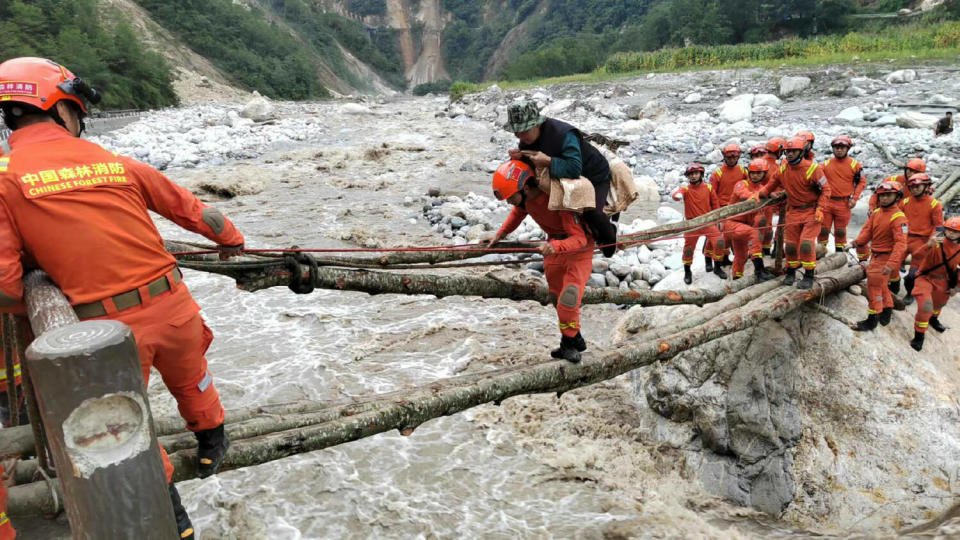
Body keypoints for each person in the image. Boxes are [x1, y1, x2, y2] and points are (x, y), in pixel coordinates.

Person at [0, 57, 246, 538]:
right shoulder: (115, 162)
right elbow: (196, 213)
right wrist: (234, 242)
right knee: (192, 376)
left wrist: (31, 293)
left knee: (126, 419)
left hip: (108, 332)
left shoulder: (6, 179)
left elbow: (5, 281)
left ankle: (173, 518)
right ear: (61, 108)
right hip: (174, 306)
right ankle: (212, 437)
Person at [487, 160, 593, 362]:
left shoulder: (557, 198)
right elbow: (517, 214)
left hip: (578, 251)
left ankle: (568, 344)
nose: (509, 202)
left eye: (511, 197)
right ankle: (574, 337)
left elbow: (579, 239)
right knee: (556, 297)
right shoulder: (525, 201)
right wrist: (498, 235)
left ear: (525, 187)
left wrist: (555, 247)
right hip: (553, 247)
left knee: (568, 299)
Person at [504, 101, 619, 257]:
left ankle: (610, 239)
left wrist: (549, 162)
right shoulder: (526, 140)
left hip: (594, 175)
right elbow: (531, 166)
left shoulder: (563, 134)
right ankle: (577, 238)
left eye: (523, 131)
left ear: (536, 124)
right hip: (565, 178)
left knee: (592, 212)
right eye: (516, 132)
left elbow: (574, 168)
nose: (519, 135)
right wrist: (519, 159)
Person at [756, 136, 830, 289]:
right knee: (789, 246)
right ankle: (791, 272)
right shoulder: (783, 169)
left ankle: (809, 274)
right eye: (787, 152)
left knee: (806, 244)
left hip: (811, 211)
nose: (789, 154)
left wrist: (820, 208)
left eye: (793, 151)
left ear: (801, 152)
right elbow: (770, 185)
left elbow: (826, 190)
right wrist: (763, 194)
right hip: (794, 211)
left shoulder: (813, 169)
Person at [850, 182, 908, 331]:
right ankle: (887, 308)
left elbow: (901, 244)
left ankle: (872, 319)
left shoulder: (899, 218)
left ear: (897, 197)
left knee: (873, 288)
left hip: (885, 258)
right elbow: (867, 231)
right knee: (881, 286)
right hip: (875, 255)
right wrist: (856, 243)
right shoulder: (876, 213)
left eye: (888, 195)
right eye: (881, 195)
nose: (884, 198)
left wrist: (891, 264)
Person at [909, 216, 960, 351]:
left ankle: (933, 319)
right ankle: (919, 336)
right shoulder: (935, 241)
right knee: (926, 306)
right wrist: (928, 245)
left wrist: (957, 287)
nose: (950, 233)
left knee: (939, 303)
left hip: (944, 280)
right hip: (925, 278)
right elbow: (916, 255)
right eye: (948, 230)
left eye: (954, 231)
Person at [672, 163, 727, 284]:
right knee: (688, 249)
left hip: (707, 222)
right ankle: (687, 271)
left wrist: (718, 220)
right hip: (692, 224)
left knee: (719, 241)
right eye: (691, 174)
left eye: (696, 173)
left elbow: (715, 205)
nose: (693, 176)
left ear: (701, 174)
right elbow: (675, 195)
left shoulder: (709, 188)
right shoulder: (686, 189)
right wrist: (677, 196)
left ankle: (717, 267)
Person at [724, 159, 775, 281]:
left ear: (764, 174)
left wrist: (772, 196)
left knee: (741, 256)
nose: (755, 175)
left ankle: (737, 279)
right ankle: (759, 270)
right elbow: (744, 195)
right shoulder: (741, 184)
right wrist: (760, 196)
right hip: (732, 223)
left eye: (758, 173)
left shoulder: (762, 188)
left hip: (744, 225)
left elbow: (768, 204)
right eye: (753, 173)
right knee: (754, 234)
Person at [899, 173, 944, 305]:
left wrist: (932, 243)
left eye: (918, 186)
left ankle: (909, 293)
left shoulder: (935, 204)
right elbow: (900, 222)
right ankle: (892, 287)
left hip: (923, 242)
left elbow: (939, 227)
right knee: (891, 264)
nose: (914, 189)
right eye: (912, 186)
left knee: (912, 275)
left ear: (926, 186)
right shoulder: (905, 202)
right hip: (906, 239)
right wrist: (903, 235)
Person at [818, 136, 866, 253]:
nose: (839, 150)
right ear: (833, 149)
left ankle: (840, 256)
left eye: (842, 148)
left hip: (844, 203)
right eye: (836, 147)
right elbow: (816, 182)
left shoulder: (856, 165)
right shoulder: (824, 165)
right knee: (823, 230)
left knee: (840, 231)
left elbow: (862, 182)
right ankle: (820, 254)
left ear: (847, 149)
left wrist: (854, 199)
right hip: (827, 202)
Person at [760, 137, 787, 255]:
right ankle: (771, 249)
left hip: (766, 201)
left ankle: (765, 251)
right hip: (767, 201)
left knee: (766, 227)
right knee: (766, 227)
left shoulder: (761, 163)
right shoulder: (775, 167)